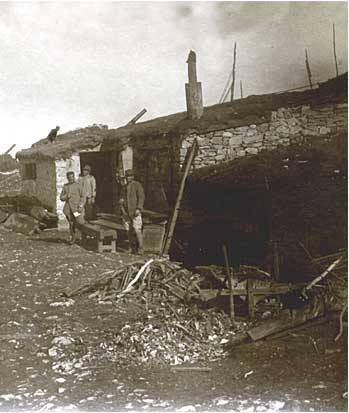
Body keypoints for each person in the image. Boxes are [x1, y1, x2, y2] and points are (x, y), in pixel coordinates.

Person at [119, 169, 145, 254]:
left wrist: (139, 208)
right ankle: (131, 247)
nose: (128, 178)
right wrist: (122, 206)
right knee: (128, 230)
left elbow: (141, 197)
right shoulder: (124, 187)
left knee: (137, 229)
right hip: (126, 212)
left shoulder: (137, 185)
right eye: (127, 176)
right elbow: (121, 198)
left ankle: (141, 248)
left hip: (135, 211)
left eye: (130, 176)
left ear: (133, 176)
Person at [60, 171, 86, 244]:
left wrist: (80, 206)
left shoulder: (78, 185)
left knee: (79, 222)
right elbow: (61, 197)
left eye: (72, 177)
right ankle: (73, 238)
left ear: (74, 177)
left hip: (77, 209)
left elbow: (83, 197)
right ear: (67, 178)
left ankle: (83, 238)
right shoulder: (65, 186)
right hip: (68, 209)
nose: (71, 179)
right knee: (71, 223)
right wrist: (66, 196)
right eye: (69, 178)